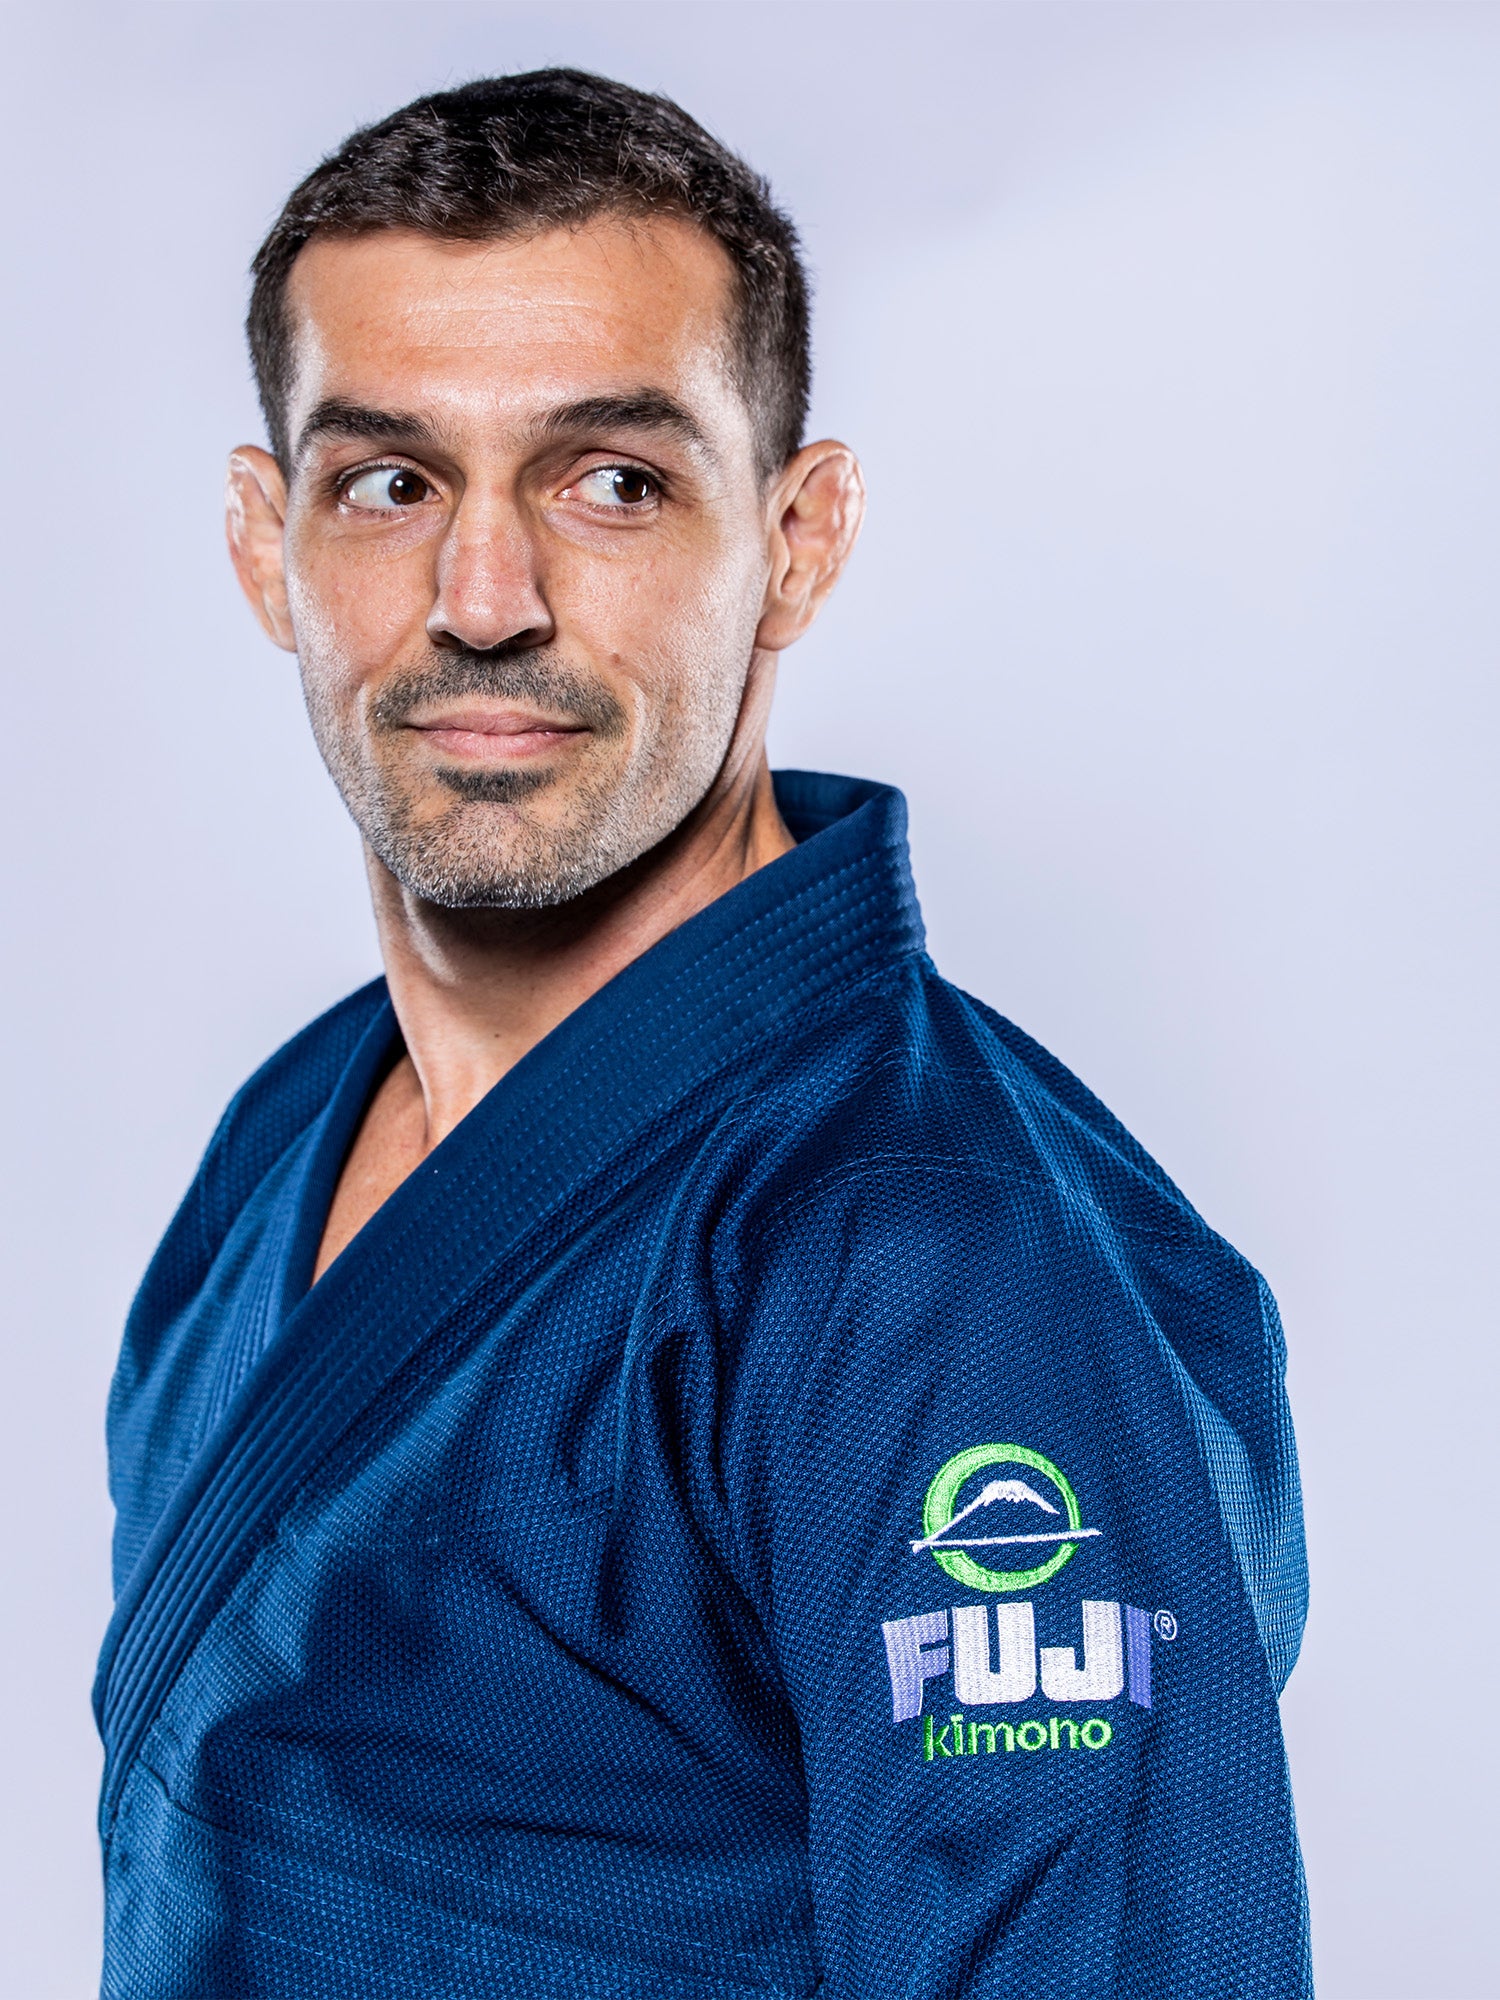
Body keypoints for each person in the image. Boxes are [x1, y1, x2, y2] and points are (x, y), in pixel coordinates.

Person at [95, 68, 1310, 2000]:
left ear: (799, 539)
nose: (482, 601)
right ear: (269, 544)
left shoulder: (927, 1267)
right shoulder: (280, 1142)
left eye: (615, 480)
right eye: (391, 482)